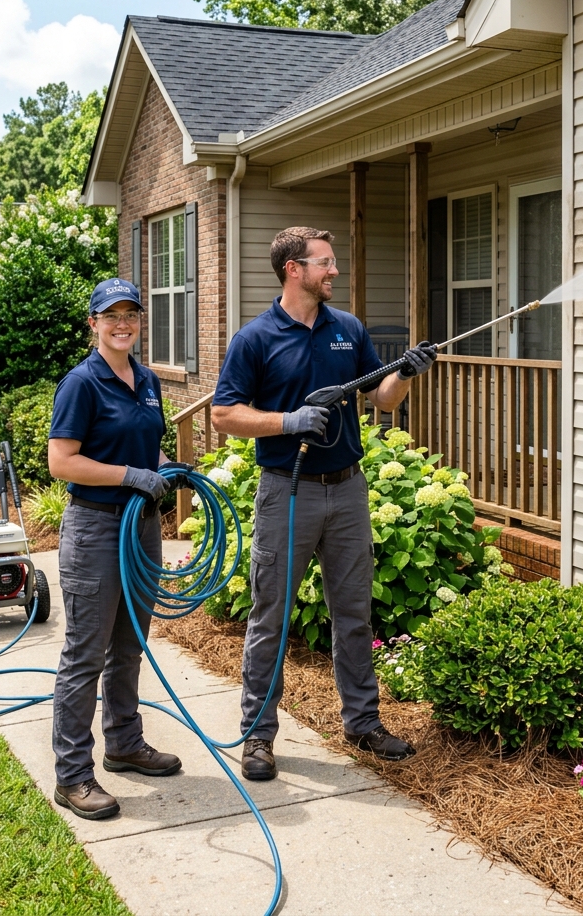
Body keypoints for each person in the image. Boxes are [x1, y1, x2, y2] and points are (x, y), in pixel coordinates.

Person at [212, 227, 437, 781]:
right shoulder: (256, 338)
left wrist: (405, 374)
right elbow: (224, 413)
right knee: (271, 616)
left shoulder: (347, 330)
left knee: (354, 614)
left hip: (348, 489)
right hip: (287, 492)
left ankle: (362, 722)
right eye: (326, 263)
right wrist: (288, 421)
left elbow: (380, 396)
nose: (334, 272)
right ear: (294, 269)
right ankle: (258, 736)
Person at [47, 277, 183, 820]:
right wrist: (131, 475)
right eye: (112, 316)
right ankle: (73, 775)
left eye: (132, 314)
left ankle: (124, 743)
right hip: (96, 529)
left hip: (139, 527)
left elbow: (142, 447)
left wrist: (164, 474)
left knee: (129, 645)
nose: (123, 323)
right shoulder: (81, 383)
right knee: (84, 654)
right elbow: (62, 462)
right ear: (93, 324)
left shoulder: (145, 379)